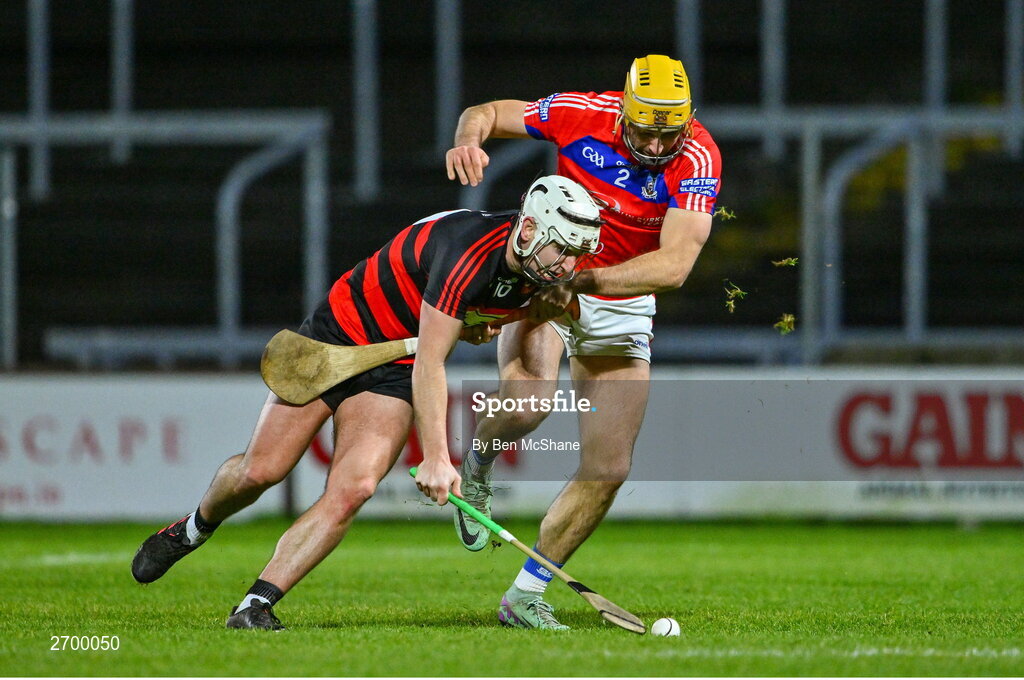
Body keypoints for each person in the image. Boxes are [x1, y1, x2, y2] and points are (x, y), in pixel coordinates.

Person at [130, 175, 604, 631]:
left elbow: (454, 330)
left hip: (394, 365)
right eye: (561, 249)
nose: (565, 265)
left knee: (354, 487)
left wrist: (476, 322)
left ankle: (255, 604)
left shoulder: (542, 280)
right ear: (528, 229)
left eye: (576, 255)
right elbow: (433, 365)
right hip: (335, 340)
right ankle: (193, 527)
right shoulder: (469, 252)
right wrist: (438, 458)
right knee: (261, 471)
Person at [443, 55, 722, 630]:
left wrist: (587, 282)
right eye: (644, 128)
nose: (654, 144)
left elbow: (673, 266)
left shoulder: (698, 156)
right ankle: (478, 461)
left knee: (609, 467)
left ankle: (524, 596)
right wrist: (468, 139)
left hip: (619, 295)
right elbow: (487, 111)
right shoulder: (582, 111)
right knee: (527, 405)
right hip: (549, 267)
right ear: (625, 109)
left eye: (668, 132)